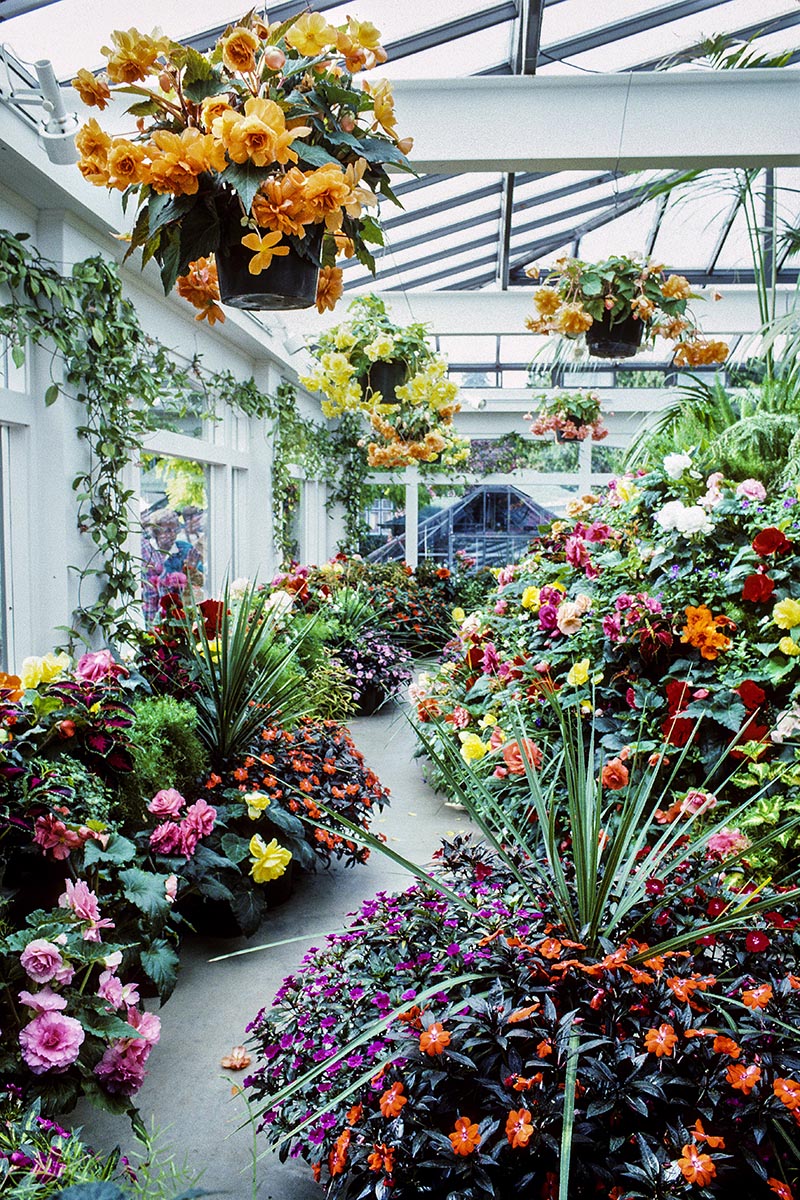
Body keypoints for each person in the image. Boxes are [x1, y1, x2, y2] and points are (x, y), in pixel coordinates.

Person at [141, 508, 200, 624]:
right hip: (149, 611)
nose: (172, 534)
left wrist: (191, 570)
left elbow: (198, 582)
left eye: (175, 530)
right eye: (168, 530)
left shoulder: (185, 550)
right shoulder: (147, 552)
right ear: (156, 532)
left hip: (177, 615)